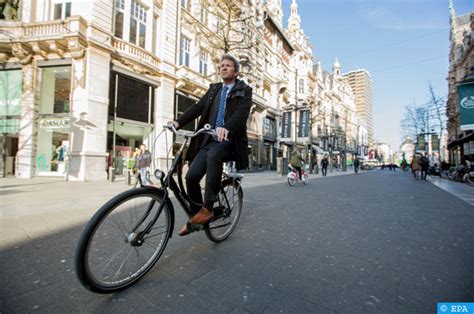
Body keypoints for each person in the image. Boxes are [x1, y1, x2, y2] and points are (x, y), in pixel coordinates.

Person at [169, 54, 252, 236]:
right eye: (221, 65)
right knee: (191, 177)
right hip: (208, 141)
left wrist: (226, 128)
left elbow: (241, 114)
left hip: (230, 141)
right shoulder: (214, 89)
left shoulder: (244, 90)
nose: (223, 68)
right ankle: (198, 216)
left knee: (215, 155)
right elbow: (197, 108)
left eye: (228, 66)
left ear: (236, 71)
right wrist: (178, 122)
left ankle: (208, 207)